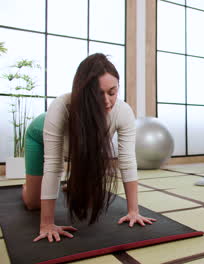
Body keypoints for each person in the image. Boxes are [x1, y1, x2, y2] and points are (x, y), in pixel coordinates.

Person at [22, 53, 155, 243]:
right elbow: (53, 165)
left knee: (92, 200)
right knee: (33, 204)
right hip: (40, 137)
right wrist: (47, 224)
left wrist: (133, 211)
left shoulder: (123, 112)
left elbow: (127, 160)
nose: (107, 101)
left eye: (112, 92)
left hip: (79, 147)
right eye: (98, 94)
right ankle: (28, 185)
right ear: (84, 92)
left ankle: (71, 185)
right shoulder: (62, 107)